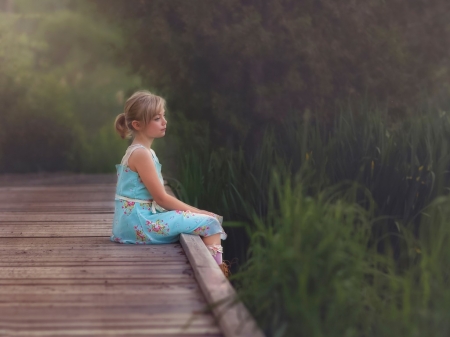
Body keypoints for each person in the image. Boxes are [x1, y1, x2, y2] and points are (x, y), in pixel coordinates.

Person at [112, 90, 228, 275]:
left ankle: (215, 272)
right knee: (210, 223)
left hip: (132, 222)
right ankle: (216, 278)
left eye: (163, 116)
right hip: (139, 224)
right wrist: (198, 211)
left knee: (202, 221)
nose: (164, 122)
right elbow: (161, 198)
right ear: (137, 124)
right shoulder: (141, 153)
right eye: (157, 118)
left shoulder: (143, 151)